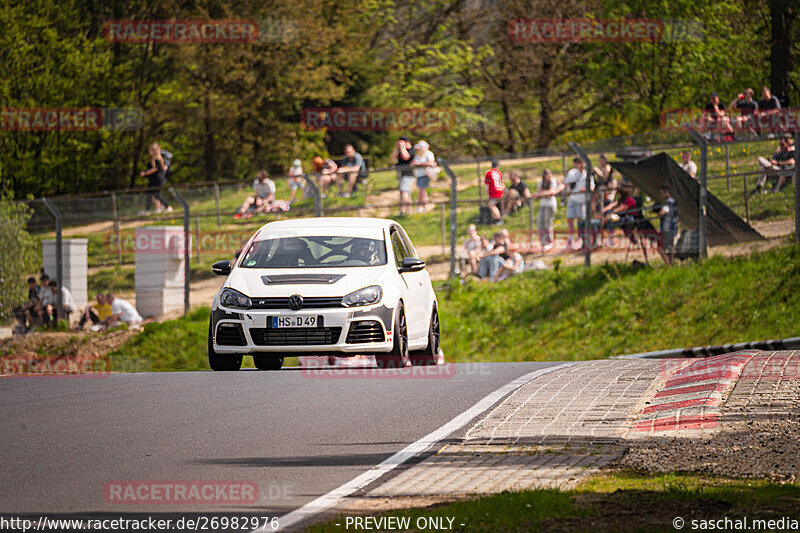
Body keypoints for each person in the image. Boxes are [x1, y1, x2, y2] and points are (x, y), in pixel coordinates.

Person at [563, 157, 593, 250]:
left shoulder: (588, 174)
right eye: (578, 163)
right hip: (572, 199)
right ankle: (570, 239)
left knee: (580, 221)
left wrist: (586, 189)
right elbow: (565, 184)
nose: (580, 166)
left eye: (581, 164)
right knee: (570, 219)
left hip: (581, 201)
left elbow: (592, 187)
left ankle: (579, 238)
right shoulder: (572, 172)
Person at [532, 169, 562, 251]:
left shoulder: (553, 181)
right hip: (543, 204)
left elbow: (551, 192)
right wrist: (541, 193)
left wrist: (539, 194)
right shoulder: (541, 182)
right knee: (540, 223)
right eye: (547, 175)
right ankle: (543, 243)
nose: (549, 177)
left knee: (547, 223)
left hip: (550, 205)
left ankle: (549, 242)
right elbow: (541, 192)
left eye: (550, 175)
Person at [140, 142, 173, 216]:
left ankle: (167, 207)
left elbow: (155, 169)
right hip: (155, 180)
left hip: (157, 180)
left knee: (155, 194)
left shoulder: (157, 159)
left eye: (150, 150)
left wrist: (145, 173)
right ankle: (148, 210)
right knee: (152, 194)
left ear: (153, 151)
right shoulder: (155, 159)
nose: (149, 152)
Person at [411, 140, 436, 213]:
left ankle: (422, 207)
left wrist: (419, 164)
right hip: (419, 174)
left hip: (426, 174)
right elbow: (413, 163)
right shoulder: (418, 155)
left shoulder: (429, 154)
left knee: (422, 191)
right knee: (421, 191)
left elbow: (431, 163)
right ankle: (422, 206)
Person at [392, 136, 415, 215]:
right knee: (406, 192)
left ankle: (403, 209)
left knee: (403, 191)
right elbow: (393, 158)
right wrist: (396, 148)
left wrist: (402, 147)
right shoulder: (400, 151)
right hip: (401, 173)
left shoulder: (411, 150)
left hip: (408, 174)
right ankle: (409, 211)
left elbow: (406, 157)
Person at [657, 186, 678, 266]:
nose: (661, 195)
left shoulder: (668, 203)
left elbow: (663, 212)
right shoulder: (674, 202)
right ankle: (672, 264)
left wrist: (659, 214)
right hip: (673, 228)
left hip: (666, 228)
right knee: (670, 247)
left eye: (662, 193)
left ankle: (669, 266)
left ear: (667, 192)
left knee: (660, 248)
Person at [484, 160, 504, 224]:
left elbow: (487, 185)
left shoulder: (488, 173)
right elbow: (502, 184)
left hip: (493, 191)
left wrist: (487, 194)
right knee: (494, 205)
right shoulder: (499, 173)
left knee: (492, 206)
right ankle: (494, 220)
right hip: (500, 191)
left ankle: (499, 220)